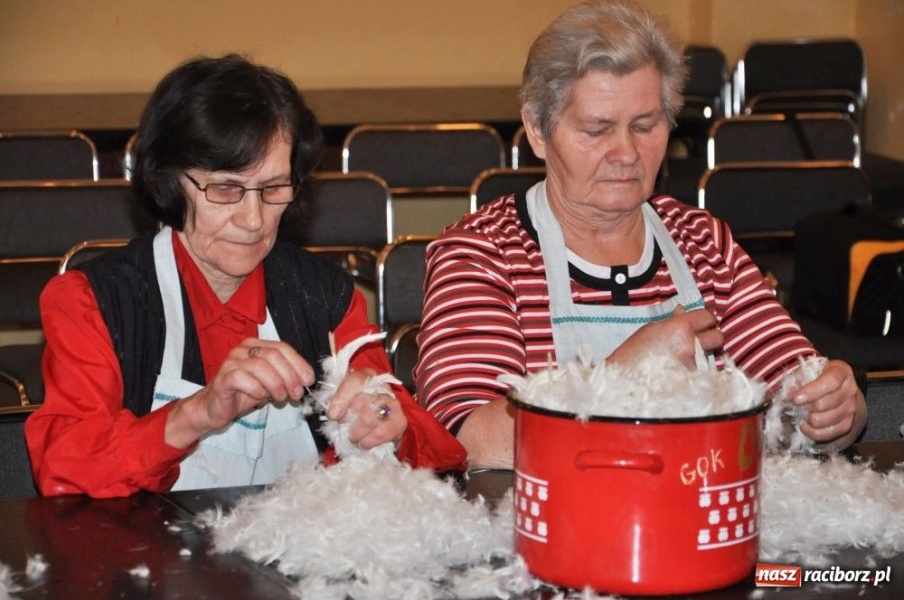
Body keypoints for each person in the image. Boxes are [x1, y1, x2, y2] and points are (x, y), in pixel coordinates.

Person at [415, 0, 867, 468]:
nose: (626, 152)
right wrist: (627, 371)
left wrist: (834, 411)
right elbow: (468, 443)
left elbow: (791, 388)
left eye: (645, 126)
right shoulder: (481, 254)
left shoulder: (703, 243)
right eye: (597, 129)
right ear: (537, 130)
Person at [26, 54, 466, 498]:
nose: (254, 220)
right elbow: (63, 471)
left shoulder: (327, 298)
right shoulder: (93, 302)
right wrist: (196, 415)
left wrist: (384, 427)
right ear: (168, 181)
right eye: (225, 189)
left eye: (273, 189)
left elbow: (439, 454)